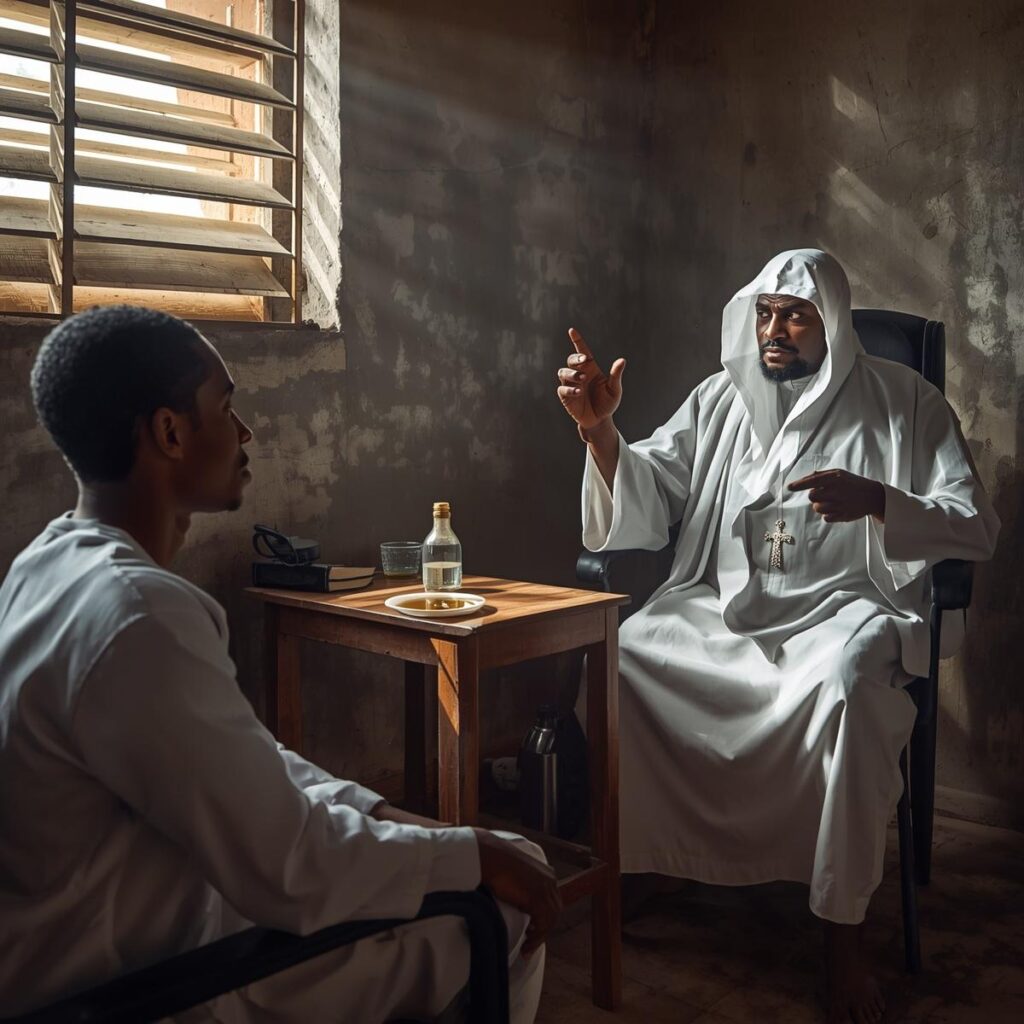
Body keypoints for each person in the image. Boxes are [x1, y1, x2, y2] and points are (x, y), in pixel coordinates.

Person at [0, 305, 559, 1023]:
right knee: (504, 902)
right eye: (224, 408)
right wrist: (469, 856)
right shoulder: (138, 615)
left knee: (481, 855)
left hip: (116, 924)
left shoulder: (48, 565)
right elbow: (291, 868)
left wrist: (384, 812)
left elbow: (241, 762)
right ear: (170, 433)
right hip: (136, 983)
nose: (245, 432)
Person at [556, 249, 999, 1024]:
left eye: (795, 316)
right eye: (765, 313)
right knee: (625, 657)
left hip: (844, 611)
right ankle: (652, 859)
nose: (774, 330)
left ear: (833, 323)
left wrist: (881, 500)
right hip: (721, 606)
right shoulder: (722, 397)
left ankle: (841, 932)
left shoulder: (906, 402)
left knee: (848, 686)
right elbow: (653, 484)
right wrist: (600, 432)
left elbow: (974, 523)